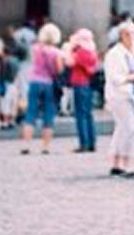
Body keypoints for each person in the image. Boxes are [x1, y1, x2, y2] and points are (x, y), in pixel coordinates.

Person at [104, 22, 134, 177]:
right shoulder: (115, 53)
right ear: (124, 35)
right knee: (129, 128)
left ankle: (116, 162)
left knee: (121, 129)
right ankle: (125, 163)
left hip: (133, 95)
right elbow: (115, 78)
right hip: (120, 95)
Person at [21, 23, 65, 155]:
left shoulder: (35, 49)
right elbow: (59, 70)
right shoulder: (56, 52)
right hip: (48, 83)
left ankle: (26, 144)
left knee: (31, 113)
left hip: (34, 81)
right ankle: (45, 146)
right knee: (48, 114)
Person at [62, 29, 100, 153]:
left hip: (79, 84)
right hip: (87, 84)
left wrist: (69, 48)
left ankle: (83, 143)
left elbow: (69, 62)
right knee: (88, 114)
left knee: (80, 115)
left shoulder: (81, 52)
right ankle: (91, 142)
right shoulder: (92, 52)